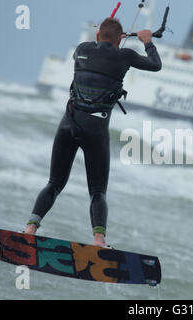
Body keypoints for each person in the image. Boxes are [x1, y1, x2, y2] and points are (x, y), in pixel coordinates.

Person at [24, 18, 162, 247]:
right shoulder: (124, 56)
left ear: (97, 36)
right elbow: (155, 64)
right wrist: (147, 41)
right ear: (120, 40)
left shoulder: (81, 49)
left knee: (54, 183)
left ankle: (30, 228)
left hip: (68, 125)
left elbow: (99, 46)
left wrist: (103, 37)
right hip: (95, 131)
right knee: (97, 191)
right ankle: (98, 240)